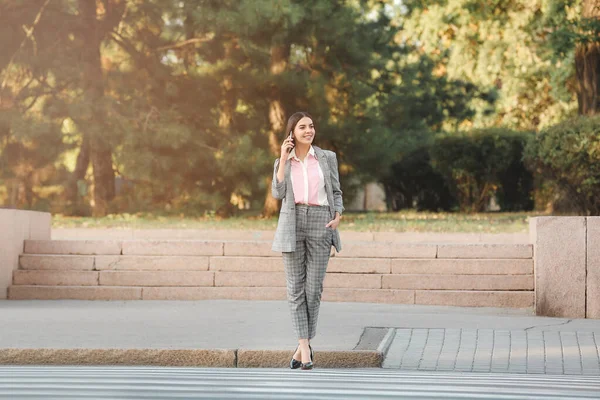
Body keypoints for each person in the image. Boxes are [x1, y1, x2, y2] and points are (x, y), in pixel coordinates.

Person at [271, 111, 344, 370]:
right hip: (292, 222)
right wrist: (282, 157)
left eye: (311, 126)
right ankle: (304, 346)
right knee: (295, 290)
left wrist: (338, 215)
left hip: (320, 221)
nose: (308, 131)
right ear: (292, 132)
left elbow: (335, 190)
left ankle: (303, 346)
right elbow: (277, 192)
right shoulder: (283, 162)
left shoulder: (326, 158)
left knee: (313, 290)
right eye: (302, 127)